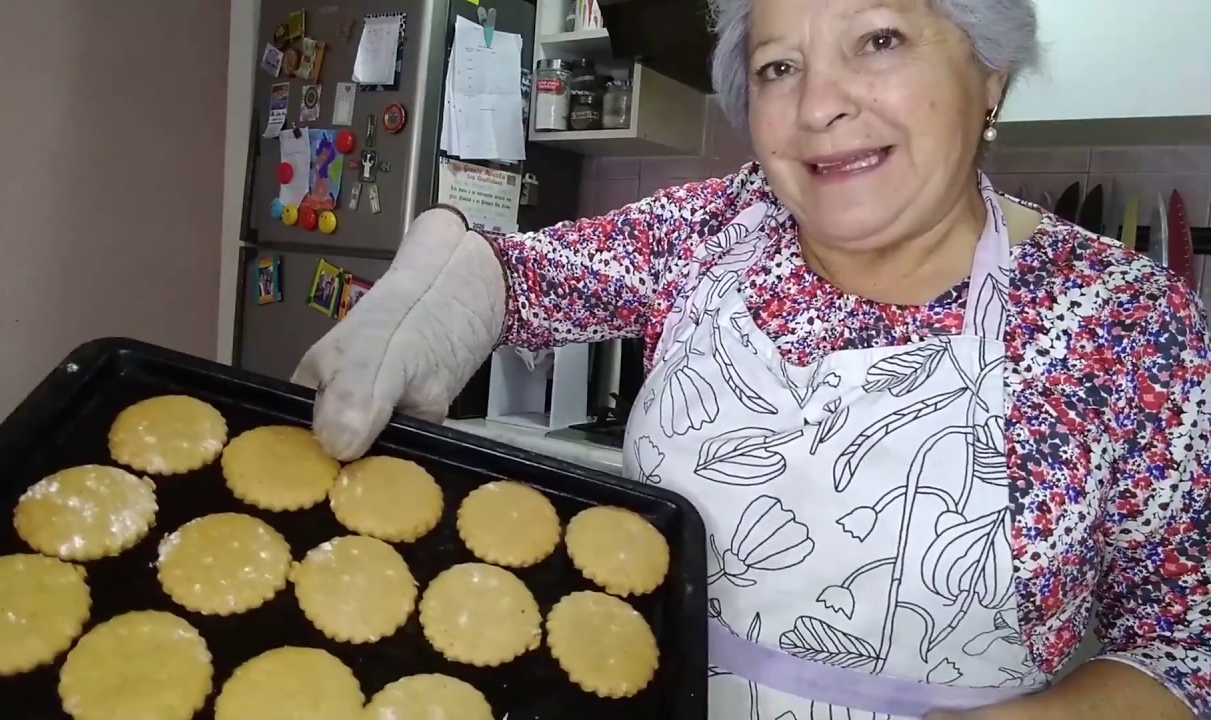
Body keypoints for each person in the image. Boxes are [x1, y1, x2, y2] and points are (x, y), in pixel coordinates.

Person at [291, 0, 1210, 717]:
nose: (818, 106)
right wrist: (438, 294)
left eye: (880, 40)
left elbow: (1189, 643)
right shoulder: (722, 227)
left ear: (991, 72)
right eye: (780, 67)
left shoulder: (1123, 322)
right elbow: (519, 275)